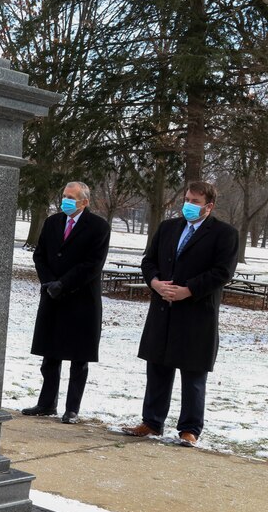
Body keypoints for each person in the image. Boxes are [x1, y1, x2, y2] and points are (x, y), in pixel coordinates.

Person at [121, 181, 239, 448]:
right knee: (158, 369)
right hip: (163, 311)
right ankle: (151, 422)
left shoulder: (224, 234)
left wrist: (190, 290)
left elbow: (223, 272)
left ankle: (189, 429)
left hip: (197, 314)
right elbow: (148, 261)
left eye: (195, 202)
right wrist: (155, 282)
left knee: (193, 374)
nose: (188, 205)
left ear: (209, 206)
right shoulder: (168, 228)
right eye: (186, 199)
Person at [22, 181, 111, 424]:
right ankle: (46, 402)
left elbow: (93, 263)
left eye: (71, 197)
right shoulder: (53, 222)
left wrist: (64, 284)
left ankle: (72, 408)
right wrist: (50, 282)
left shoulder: (98, 227)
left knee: (78, 358)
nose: (66, 200)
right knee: (50, 354)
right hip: (52, 297)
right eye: (64, 196)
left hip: (81, 299)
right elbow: (40, 255)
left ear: (85, 201)